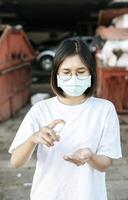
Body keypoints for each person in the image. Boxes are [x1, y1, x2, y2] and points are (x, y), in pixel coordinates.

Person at [9, 38, 122, 200]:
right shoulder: (41, 110)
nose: (73, 78)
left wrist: (90, 156)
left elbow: (104, 164)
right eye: (66, 72)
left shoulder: (104, 110)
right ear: (56, 74)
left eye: (81, 72)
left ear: (91, 72)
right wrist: (32, 140)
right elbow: (15, 163)